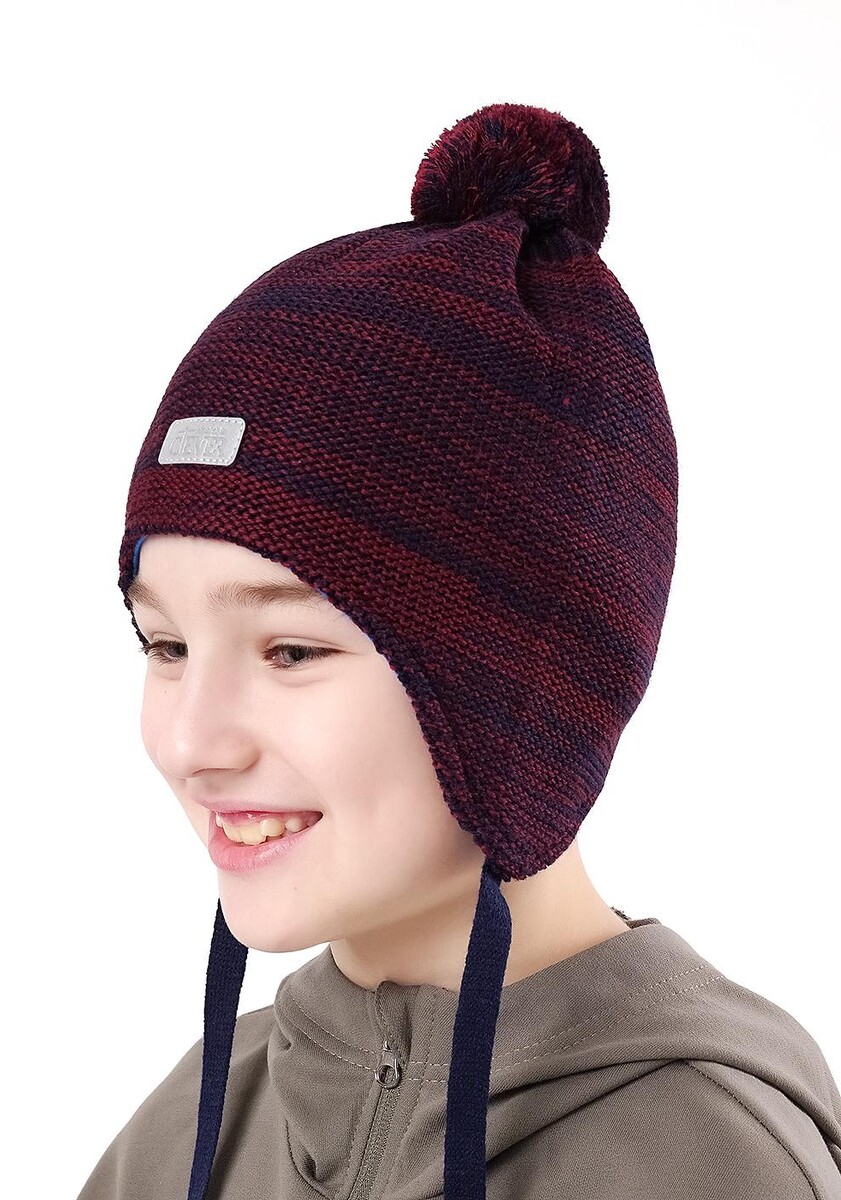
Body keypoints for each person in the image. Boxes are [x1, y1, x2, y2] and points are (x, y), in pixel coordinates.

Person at [76, 101, 841, 1200]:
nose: (192, 743)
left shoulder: (696, 1164)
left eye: (289, 651)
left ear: (527, 688)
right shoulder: (190, 1123)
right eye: (164, 643)